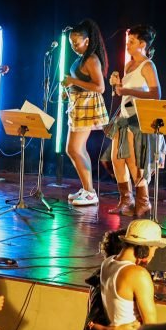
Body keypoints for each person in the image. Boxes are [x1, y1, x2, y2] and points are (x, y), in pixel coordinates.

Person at [106, 26, 162, 217]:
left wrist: (127, 91)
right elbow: (123, 93)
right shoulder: (129, 64)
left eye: (131, 42)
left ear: (142, 44)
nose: (127, 45)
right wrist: (117, 85)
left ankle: (143, 201)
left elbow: (156, 94)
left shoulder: (147, 65)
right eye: (127, 41)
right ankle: (126, 200)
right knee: (116, 159)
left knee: (133, 161)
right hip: (123, 116)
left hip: (138, 119)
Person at [62, 19, 110, 207]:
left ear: (87, 41)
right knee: (73, 149)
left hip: (87, 105)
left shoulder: (92, 59)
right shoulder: (82, 58)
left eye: (76, 43)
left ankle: (90, 192)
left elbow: (100, 87)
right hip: (78, 104)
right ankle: (87, 188)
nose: (74, 47)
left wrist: (73, 82)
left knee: (75, 148)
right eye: (71, 43)